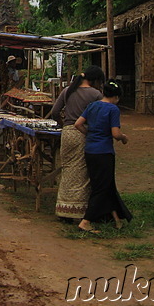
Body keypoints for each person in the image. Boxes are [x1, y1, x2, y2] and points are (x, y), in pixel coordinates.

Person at [49, 65, 105, 221]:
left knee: (67, 169)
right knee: (81, 172)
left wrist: (62, 123)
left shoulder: (68, 90)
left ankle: (63, 209)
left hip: (66, 134)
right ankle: (77, 210)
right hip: (82, 133)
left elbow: (54, 112)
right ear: (95, 80)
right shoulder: (96, 94)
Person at [76, 80, 132, 233]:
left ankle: (117, 219)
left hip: (90, 151)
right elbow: (115, 133)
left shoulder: (93, 105)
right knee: (101, 188)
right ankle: (85, 221)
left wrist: (90, 134)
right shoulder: (113, 109)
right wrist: (124, 137)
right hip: (104, 152)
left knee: (105, 185)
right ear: (116, 96)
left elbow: (78, 124)